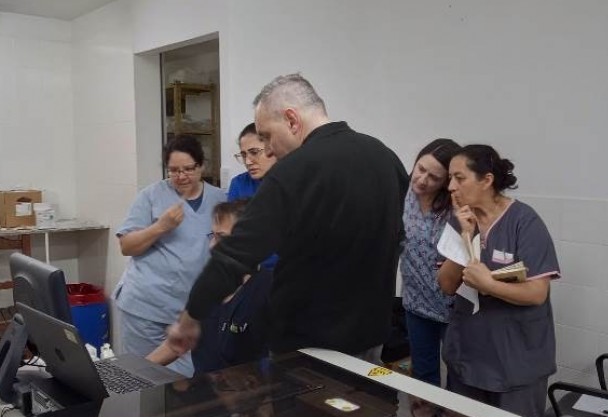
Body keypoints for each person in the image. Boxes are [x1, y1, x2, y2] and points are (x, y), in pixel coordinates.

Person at [167, 73, 409, 364]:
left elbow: (235, 253)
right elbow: (396, 238)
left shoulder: (294, 171)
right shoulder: (385, 157)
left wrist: (191, 316)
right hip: (371, 336)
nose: (268, 149)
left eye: (267, 136)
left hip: (310, 345)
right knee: (364, 408)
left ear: (292, 120)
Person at [437, 144, 560, 417]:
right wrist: (466, 236)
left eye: (459, 178)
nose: (451, 187)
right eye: (449, 179)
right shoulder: (459, 221)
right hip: (467, 359)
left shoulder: (525, 222)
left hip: (515, 363)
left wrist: (488, 284)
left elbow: (537, 293)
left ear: (487, 180)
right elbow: (446, 284)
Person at [114, 134, 227, 377]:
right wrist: (160, 227)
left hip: (191, 313)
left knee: (183, 383)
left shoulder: (219, 199)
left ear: (202, 166)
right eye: (174, 170)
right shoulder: (151, 196)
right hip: (146, 308)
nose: (181, 176)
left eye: (188, 169)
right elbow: (127, 246)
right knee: (140, 378)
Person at [147, 199, 271, 374]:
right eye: (212, 236)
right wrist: (134, 374)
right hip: (205, 393)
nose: (213, 245)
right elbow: (177, 343)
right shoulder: (208, 289)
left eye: (222, 237)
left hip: (247, 395)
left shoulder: (268, 290)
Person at [401, 138, 461, 387]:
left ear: (446, 182)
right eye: (421, 169)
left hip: (453, 308)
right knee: (423, 377)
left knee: (460, 376)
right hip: (416, 301)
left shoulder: (454, 208)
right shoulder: (402, 194)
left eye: (434, 177)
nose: (423, 180)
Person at [227, 123, 277, 200]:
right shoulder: (239, 184)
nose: (247, 162)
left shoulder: (293, 181)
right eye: (243, 155)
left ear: (273, 149)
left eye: (254, 152)